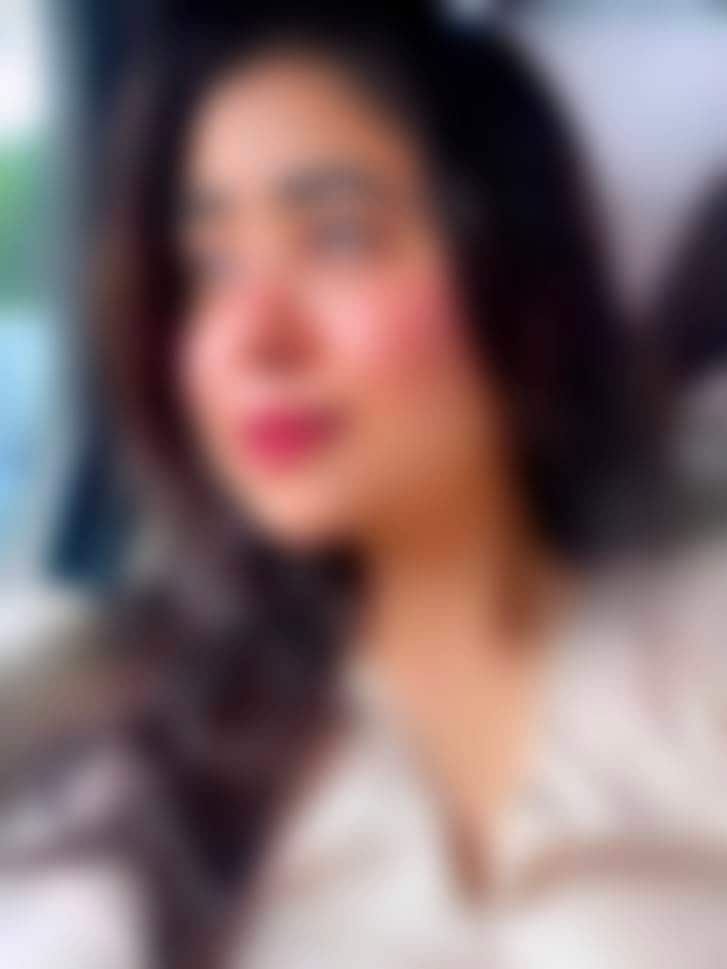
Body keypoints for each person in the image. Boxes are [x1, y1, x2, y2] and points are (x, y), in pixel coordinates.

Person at [2, 5, 726, 969]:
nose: (253, 337)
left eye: (338, 237)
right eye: (210, 268)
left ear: (517, 280)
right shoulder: (135, 751)